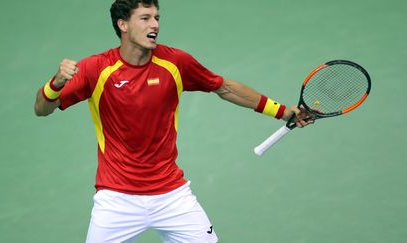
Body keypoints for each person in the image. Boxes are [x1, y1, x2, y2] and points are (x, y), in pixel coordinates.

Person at [34, 0, 313, 242]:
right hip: (116, 198)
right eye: (145, 18)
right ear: (123, 25)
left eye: (156, 17)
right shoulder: (96, 69)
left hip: (171, 195)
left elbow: (224, 87)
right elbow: (42, 109)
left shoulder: (174, 62)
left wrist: (282, 111)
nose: (154, 24)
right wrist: (56, 83)